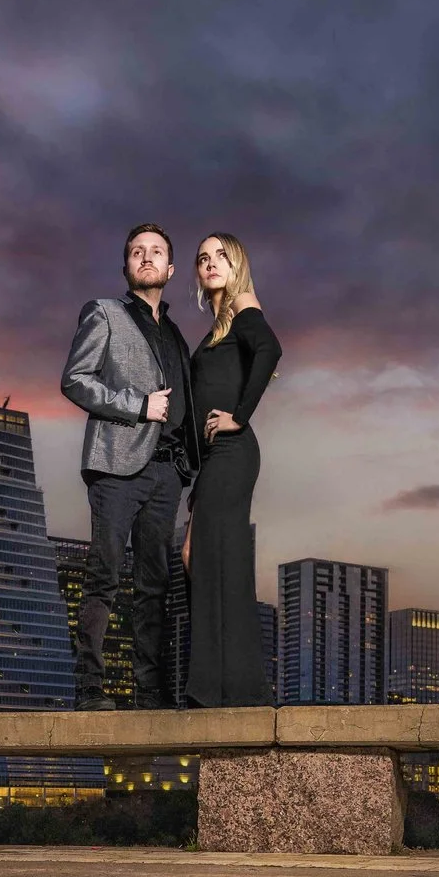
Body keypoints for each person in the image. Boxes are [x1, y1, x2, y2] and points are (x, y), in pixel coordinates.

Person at [61, 223, 196, 709]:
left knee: (154, 588)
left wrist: (187, 469)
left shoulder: (177, 336)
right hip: (116, 466)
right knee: (104, 576)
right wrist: (138, 406)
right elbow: (75, 380)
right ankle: (90, 689)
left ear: (170, 268)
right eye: (136, 251)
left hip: (165, 474)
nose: (146, 257)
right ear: (126, 266)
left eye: (156, 252)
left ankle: (149, 694)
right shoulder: (105, 313)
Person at [182, 232, 281, 708]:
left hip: (235, 449)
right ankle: (217, 687)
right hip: (212, 461)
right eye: (203, 258)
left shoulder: (244, 305)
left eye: (221, 254)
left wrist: (238, 415)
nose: (210, 263)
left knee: (220, 563)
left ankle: (230, 691)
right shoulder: (217, 325)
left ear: (237, 261)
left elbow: (270, 351)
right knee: (195, 557)